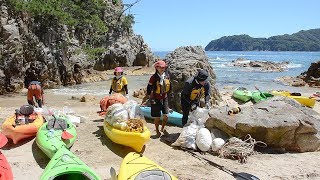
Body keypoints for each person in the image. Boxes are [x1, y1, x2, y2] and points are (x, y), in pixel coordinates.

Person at [147, 60, 172, 137]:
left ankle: (162, 128)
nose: (162, 69)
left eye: (164, 67)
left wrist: (170, 96)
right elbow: (149, 88)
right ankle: (157, 130)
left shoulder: (167, 76)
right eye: (160, 67)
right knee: (157, 117)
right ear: (156, 68)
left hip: (164, 98)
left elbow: (170, 87)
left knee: (166, 116)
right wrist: (150, 97)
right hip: (155, 99)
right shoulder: (153, 78)